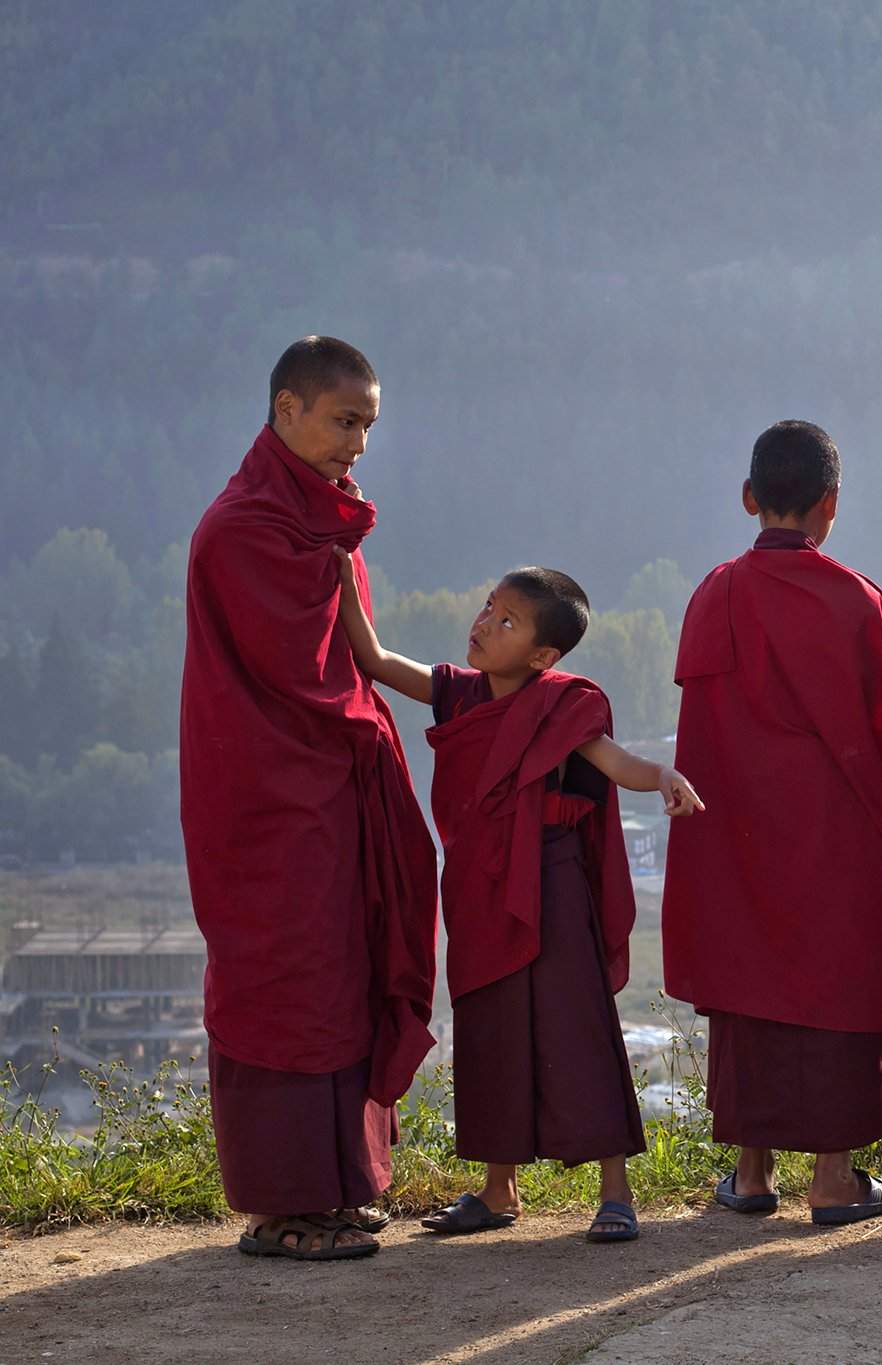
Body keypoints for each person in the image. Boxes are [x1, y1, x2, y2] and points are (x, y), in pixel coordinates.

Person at [335, 559, 700, 1243]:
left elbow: (616, 762)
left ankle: (615, 1190)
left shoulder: (563, 707)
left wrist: (664, 777)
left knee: (577, 1026)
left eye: (506, 621)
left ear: (543, 656)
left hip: (553, 886)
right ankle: (498, 1188)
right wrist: (340, 573)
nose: (484, 624)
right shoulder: (459, 695)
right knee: (490, 1027)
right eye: (487, 606)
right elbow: (376, 659)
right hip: (479, 888)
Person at [181, 336, 438, 1261]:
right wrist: (367, 727)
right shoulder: (245, 529)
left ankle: (340, 1183)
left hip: (330, 791)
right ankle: (284, 1204)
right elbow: (302, 677)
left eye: (368, 425)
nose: (358, 444)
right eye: (343, 420)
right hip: (268, 799)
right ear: (286, 410)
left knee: (346, 967)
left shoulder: (320, 522)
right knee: (288, 980)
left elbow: (348, 661)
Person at [663, 420, 882, 1224]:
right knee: (841, 982)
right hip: (829, 832)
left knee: (753, 981)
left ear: (750, 499)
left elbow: (701, 728)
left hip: (734, 832)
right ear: (831, 505)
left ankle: (751, 1173)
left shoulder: (715, 591)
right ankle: (834, 1177)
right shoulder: (855, 598)